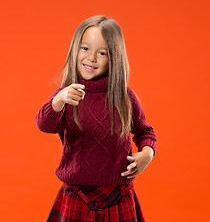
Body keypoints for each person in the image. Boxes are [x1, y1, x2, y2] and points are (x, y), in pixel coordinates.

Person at [35, 15, 157, 222]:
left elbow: (145, 132)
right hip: (76, 196)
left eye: (102, 53)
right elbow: (44, 124)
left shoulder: (125, 97)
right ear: (75, 50)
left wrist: (147, 153)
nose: (91, 57)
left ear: (114, 58)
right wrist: (59, 100)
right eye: (85, 49)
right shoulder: (67, 94)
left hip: (119, 195)